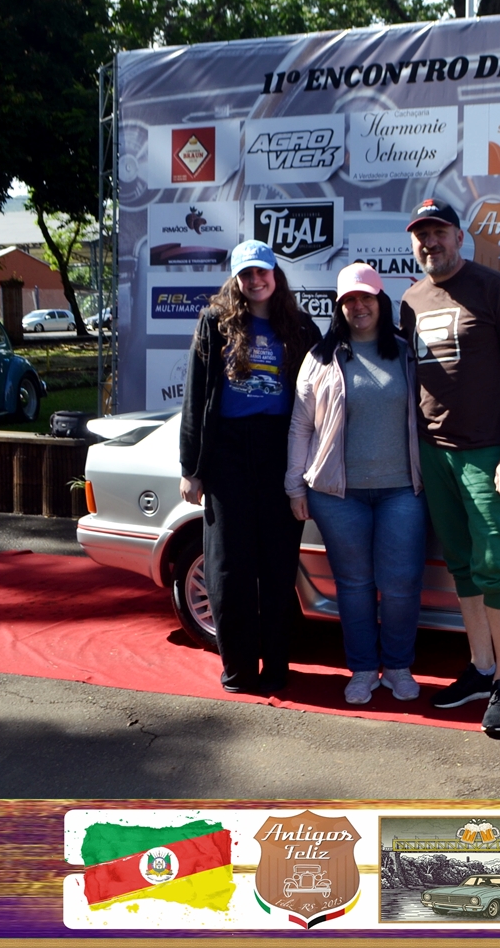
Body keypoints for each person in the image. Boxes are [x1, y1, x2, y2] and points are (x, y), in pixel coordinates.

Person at [399, 199, 500, 733]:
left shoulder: (496, 289)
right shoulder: (410, 300)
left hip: (487, 453)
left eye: (438, 232)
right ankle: (480, 667)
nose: (429, 242)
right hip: (434, 453)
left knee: (496, 565)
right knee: (461, 564)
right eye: (421, 235)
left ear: (458, 236)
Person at [179, 240, 320, 695]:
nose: (255, 281)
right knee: (229, 567)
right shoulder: (215, 322)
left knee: (278, 567)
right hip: (228, 456)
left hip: (281, 450)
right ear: (236, 279)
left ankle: (277, 667)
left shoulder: (300, 325)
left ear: (275, 274)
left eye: (262, 272)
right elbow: (195, 396)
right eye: (246, 274)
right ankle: (239, 669)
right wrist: (191, 467)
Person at [286, 263, 427, 705]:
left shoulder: (406, 352)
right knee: (354, 585)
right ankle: (363, 668)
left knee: (401, 584)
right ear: (339, 307)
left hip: (402, 490)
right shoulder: (320, 357)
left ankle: (398, 666)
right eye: (349, 300)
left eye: (366, 297)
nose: (358, 306)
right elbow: (300, 427)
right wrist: (294, 487)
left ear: (381, 301)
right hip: (337, 495)